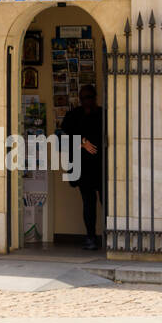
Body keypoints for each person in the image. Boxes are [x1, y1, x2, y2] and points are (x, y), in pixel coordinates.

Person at [60, 85, 104, 250]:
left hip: (101, 165)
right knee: (88, 203)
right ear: (80, 98)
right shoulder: (74, 115)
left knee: (105, 202)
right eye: (84, 97)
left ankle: (108, 236)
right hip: (82, 167)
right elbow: (65, 134)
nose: (88, 100)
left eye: (90, 97)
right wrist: (82, 143)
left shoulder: (102, 113)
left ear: (95, 97)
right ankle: (90, 237)